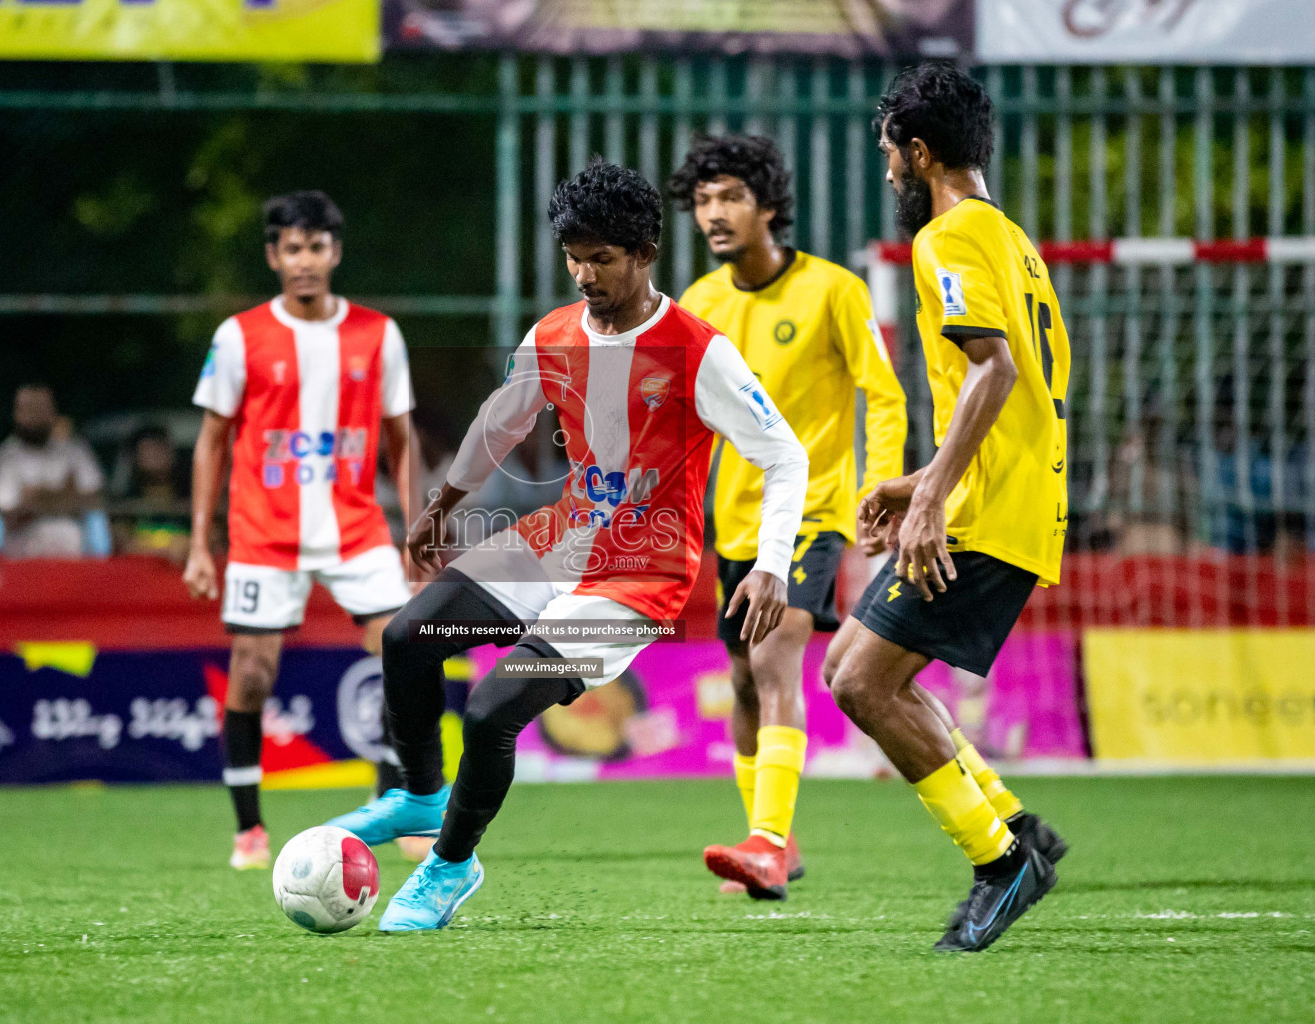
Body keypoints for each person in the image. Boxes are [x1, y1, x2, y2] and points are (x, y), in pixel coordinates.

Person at [322, 160, 809, 932]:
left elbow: (785, 456)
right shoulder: (553, 333)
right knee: (410, 639)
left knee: (490, 712)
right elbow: (503, 420)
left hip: (638, 579)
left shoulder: (695, 350)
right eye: (574, 257)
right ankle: (418, 793)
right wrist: (444, 501)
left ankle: (449, 868)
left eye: (603, 259)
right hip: (555, 542)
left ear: (646, 252)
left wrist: (774, 566)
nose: (585, 274)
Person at [824, 62, 1071, 953]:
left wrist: (930, 494)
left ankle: (1002, 865)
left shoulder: (947, 238)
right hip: (999, 497)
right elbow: (1024, 387)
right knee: (856, 662)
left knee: (859, 682)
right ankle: (1015, 826)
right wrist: (923, 478)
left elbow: (996, 370)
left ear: (919, 151)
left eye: (891, 150)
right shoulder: (1012, 239)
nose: (888, 167)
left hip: (981, 514)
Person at [670, 133, 908, 898]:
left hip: (813, 513)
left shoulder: (835, 290)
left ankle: (766, 841)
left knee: (773, 659)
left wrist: (882, 487)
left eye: (731, 196)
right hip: (733, 522)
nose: (714, 212)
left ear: (769, 206)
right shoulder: (699, 306)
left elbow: (885, 392)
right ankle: (776, 843)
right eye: (704, 200)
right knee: (740, 678)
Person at [184, 191, 416, 870]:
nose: (305, 260)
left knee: (404, 661)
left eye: (317, 247)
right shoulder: (239, 336)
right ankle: (249, 831)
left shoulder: (379, 334)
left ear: (335, 253)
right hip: (265, 532)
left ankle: (394, 807)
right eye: (292, 247)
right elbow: (210, 443)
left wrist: (418, 527)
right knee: (252, 676)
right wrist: (202, 542)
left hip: (355, 528)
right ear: (273, 256)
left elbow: (401, 442)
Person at [0, 384, 107, 558]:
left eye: (42, 408)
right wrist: (64, 495)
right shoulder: (4, 457)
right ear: (16, 414)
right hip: (23, 564)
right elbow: (10, 515)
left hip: (75, 562)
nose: (36, 415)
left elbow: (94, 499)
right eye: (29, 409)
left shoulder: (75, 451)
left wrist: (36, 496)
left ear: (53, 411)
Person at [114, 425, 190, 563]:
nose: (155, 456)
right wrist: (163, 551)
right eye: (148, 450)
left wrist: (188, 546)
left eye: (160, 448)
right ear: (135, 457)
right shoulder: (124, 505)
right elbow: (121, 543)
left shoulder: (192, 499)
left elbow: (213, 538)